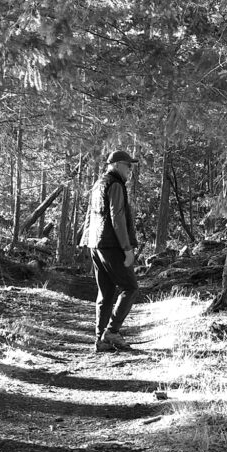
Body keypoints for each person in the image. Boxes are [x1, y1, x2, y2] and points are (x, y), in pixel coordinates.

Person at [80, 150, 140, 352]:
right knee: (130, 287)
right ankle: (112, 331)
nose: (130, 170)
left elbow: (91, 216)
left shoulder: (98, 184)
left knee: (105, 293)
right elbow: (117, 217)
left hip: (95, 244)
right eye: (128, 165)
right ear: (116, 165)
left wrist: (86, 241)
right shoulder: (115, 184)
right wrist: (127, 248)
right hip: (112, 244)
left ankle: (100, 339)